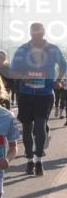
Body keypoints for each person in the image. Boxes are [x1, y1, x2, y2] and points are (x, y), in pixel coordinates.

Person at [9, 23, 66, 176]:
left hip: (45, 94)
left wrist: (59, 80)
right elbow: (12, 71)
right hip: (26, 94)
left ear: (43, 32)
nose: (36, 36)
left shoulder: (53, 49)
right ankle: (29, 160)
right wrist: (23, 76)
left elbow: (64, 65)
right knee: (27, 128)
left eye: (39, 33)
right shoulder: (22, 50)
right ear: (30, 33)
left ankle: (39, 161)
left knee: (40, 126)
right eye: (33, 33)